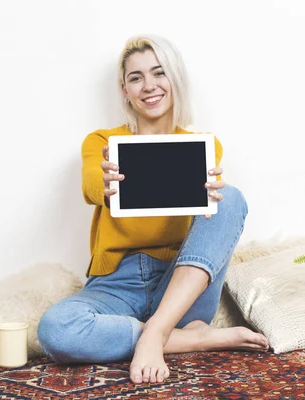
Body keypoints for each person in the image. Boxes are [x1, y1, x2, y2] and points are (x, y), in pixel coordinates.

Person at [37, 34, 268, 385]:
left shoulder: (202, 146)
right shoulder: (101, 142)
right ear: (124, 89)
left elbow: (212, 219)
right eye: (136, 77)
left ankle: (155, 333)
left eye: (159, 73)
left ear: (175, 80)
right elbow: (90, 185)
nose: (149, 86)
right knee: (56, 329)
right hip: (115, 286)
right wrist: (105, 183)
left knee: (230, 196)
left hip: (180, 286)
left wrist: (210, 196)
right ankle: (188, 339)